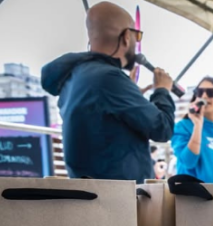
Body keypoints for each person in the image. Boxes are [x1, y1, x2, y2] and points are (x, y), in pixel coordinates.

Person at [41, 1, 175, 183]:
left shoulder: (73, 78)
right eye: (137, 35)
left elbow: (105, 127)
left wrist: (132, 93)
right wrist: (162, 90)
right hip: (120, 198)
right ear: (127, 36)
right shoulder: (109, 79)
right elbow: (162, 129)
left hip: (92, 194)